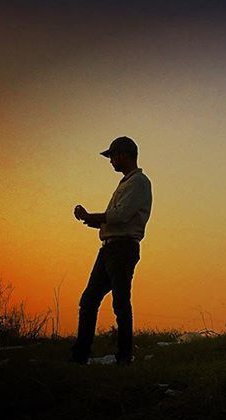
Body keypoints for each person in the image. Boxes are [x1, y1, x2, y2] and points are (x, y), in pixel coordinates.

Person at [70, 136, 152, 365]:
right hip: (110, 247)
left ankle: (124, 356)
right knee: (89, 300)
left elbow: (121, 215)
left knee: (120, 302)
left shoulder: (139, 182)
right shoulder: (127, 183)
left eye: (113, 156)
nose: (111, 161)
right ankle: (80, 355)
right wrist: (90, 219)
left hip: (123, 248)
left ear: (124, 155)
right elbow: (116, 218)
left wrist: (92, 217)